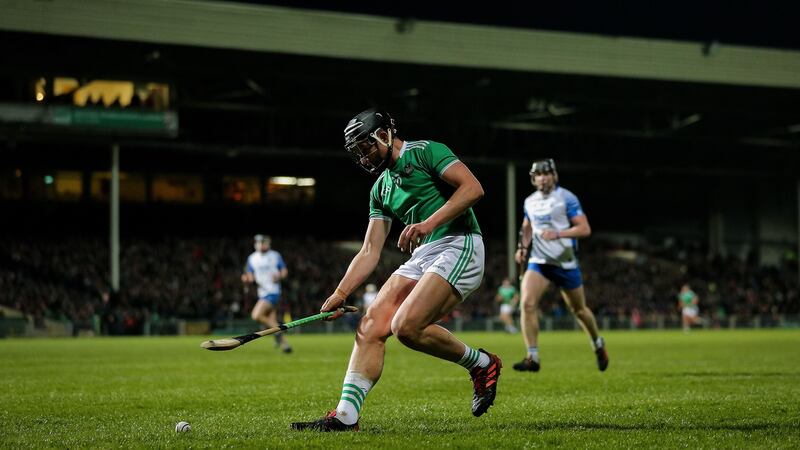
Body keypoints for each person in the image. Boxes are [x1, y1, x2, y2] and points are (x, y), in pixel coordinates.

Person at [291, 108, 501, 432]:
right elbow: (369, 251)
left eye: (366, 147)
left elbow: (473, 188)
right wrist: (340, 292)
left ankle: (482, 364)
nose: (364, 157)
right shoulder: (381, 189)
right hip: (424, 254)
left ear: (384, 134)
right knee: (370, 325)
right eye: (358, 153)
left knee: (405, 327)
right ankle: (346, 416)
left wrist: (428, 224)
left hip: (459, 243)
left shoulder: (427, 151)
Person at [513, 158, 608, 373]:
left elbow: (584, 229)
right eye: (539, 175)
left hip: (565, 264)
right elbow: (527, 227)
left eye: (547, 174)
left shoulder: (566, 198)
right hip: (540, 262)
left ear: (554, 176)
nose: (543, 178)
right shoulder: (530, 201)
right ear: (533, 179)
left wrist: (558, 234)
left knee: (579, 310)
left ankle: (597, 343)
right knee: (527, 304)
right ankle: (532, 357)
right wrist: (522, 248)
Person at [241, 234, 291, 353]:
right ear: (256, 244)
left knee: (256, 315)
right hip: (262, 293)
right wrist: (246, 278)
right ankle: (285, 345)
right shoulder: (252, 258)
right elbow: (249, 276)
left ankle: (280, 329)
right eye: (259, 242)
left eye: (264, 242)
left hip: (273, 292)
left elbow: (284, 271)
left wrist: (279, 276)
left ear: (268, 243)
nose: (262, 244)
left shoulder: (275, 255)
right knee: (271, 321)